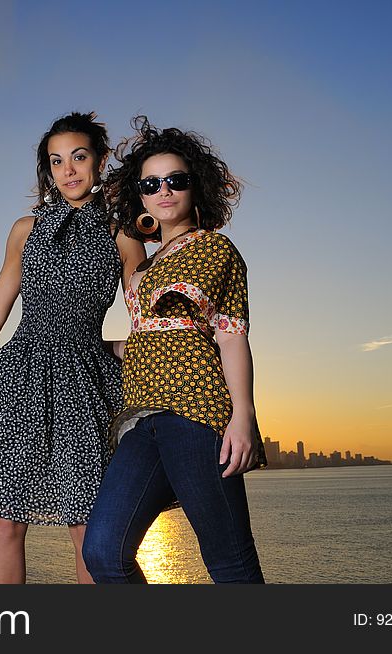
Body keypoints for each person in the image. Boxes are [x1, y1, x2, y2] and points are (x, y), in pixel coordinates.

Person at [0, 112, 146, 583]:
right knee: (6, 520)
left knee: (87, 523)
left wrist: (117, 350)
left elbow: (146, 316)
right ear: (48, 171)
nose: (69, 170)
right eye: (57, 162)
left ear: (98, 161)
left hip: (84, 383)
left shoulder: (123, 234)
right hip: (20, 378)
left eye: (79, 157)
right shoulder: (25, 229)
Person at [82, 116, 266, 584]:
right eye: (151, 184)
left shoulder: (215, 249)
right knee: (103, 552)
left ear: (195, 186)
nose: (163, 191)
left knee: (229, 562)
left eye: (176, 181)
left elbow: (230, 336)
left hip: (198, 414)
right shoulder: (143, 267)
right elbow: (149, 336)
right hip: (140, 419)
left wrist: (242, 416)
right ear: (139, 194)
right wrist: (82, 346)